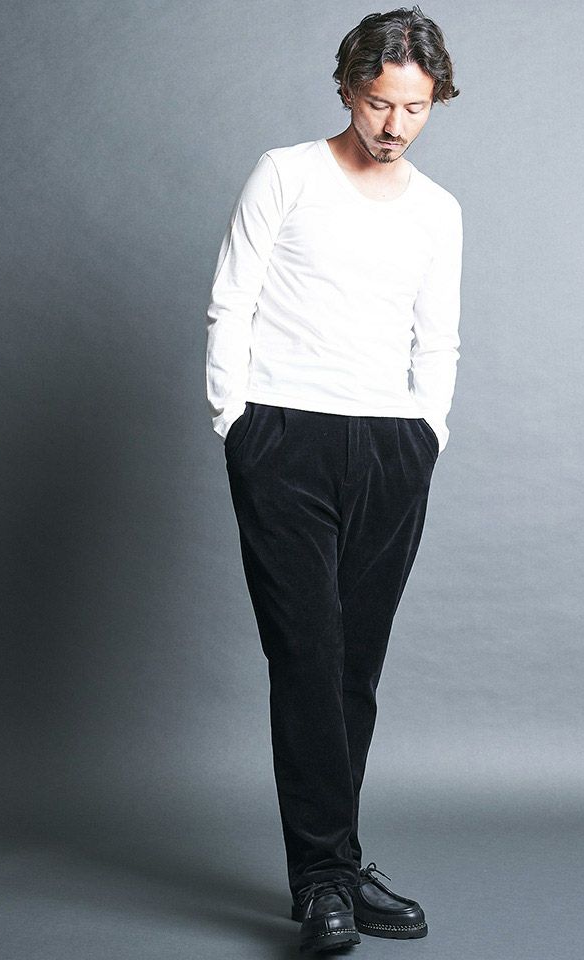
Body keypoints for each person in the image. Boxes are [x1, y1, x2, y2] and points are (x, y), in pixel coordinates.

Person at [205, 6, 462, 953]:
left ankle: (338, 869)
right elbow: (231, 301)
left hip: (393, 447)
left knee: (355, 668)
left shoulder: (439, 211)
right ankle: (321, 882)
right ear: (348, 88)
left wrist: (427, 432)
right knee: (307, 658)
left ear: (434, 103)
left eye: (416, 107)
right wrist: (236, 424)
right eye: (379, 102)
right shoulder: (286, 174)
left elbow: (438, 336)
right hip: (285, 436)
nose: (395, 125)